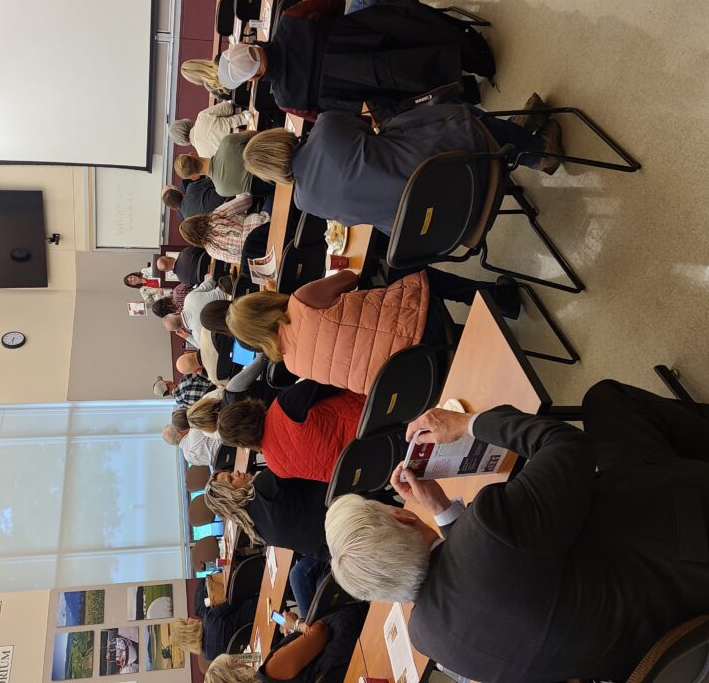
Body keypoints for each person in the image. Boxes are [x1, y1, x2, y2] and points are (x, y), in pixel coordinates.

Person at [324, 380, 709, 683]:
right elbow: (569, 445)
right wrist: (468, 424)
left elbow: (478, 574)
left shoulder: (428, 638)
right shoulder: (490, 528)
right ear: (402, 517)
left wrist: (441, 508)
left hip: (660, 652)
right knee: (606, 399)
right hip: (685, 558)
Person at [242, 101, 563, 235]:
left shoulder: (305, 202)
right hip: (462, 166)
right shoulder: (325, 128)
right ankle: (536, 152)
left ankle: (517, 137)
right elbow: (372, 128)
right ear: (276, 136)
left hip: (448, 226)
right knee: (457, 115)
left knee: (438, 131)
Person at [225, 269, 520, 395]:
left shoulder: (292, 365)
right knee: (416, 278)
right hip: (422, 329)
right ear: (263, 301)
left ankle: (483, 342)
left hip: (415, 378)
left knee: (391, 334)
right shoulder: (301, 300)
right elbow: (350, 277)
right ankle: (500, 299)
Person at [216, 0, 494, 122]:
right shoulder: (291, 20)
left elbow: (330, 116)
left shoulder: (286, 100)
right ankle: (474, 55)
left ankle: (466, 91)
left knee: (387, 102)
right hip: (380, 31)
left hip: (383, 88)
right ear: (251, 44)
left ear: (253, 79)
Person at [217, 382, 365, 481]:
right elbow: (334, 382)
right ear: (245, 406)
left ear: (242, 442)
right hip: (369, 420)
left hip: (361, 472)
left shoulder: (275, 466)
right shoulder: (285, 404)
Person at [203, 601, 368, 683]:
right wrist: (295, 625)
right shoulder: (272, 669)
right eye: (234, 661)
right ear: (236, 672)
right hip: (348, 639)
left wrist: (291, 641)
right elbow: (320, 633)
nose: (239, 660)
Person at [204, 469, 330, 559]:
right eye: (231, 479)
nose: (236, 472)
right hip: (335, 508)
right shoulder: (263, 486)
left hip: (331, 548)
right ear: (230, 497)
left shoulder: (255, 532)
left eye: (231, 473)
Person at [180, 193, 270, 265]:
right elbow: (247, 200)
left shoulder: (211, 252)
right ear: (197, 218)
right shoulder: (216, 216)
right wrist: (236, 189)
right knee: (270, 191)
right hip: (265, 228)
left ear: (194, 241)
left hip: (261, 257)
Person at [170, 597, 258, 661]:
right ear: (188, 628)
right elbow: (234, 601)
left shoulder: (208, 655)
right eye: (186, 621)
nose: (189, 618)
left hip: (255, 643)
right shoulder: (209, 618)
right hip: (256, 610)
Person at [175, 131, 256, 199]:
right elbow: (259, 136)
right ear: (194, 154)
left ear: (195, 177)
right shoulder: (227, 142)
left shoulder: (222, 190)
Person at [168, 103, 252, 160]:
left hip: (248, 150)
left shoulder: (203, 156)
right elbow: (228, 107)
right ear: (183, 122)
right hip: (249, 122)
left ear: (182, 142)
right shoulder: (202, 116)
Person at [180, 277, 231, 348]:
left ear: (181, 328)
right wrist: (209, 277)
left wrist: (188, 337)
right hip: (230, 288)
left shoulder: (197, 335)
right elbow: (210, 282)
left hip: (232, 317)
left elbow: (204, 349)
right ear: (176, 313)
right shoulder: (188, 298)